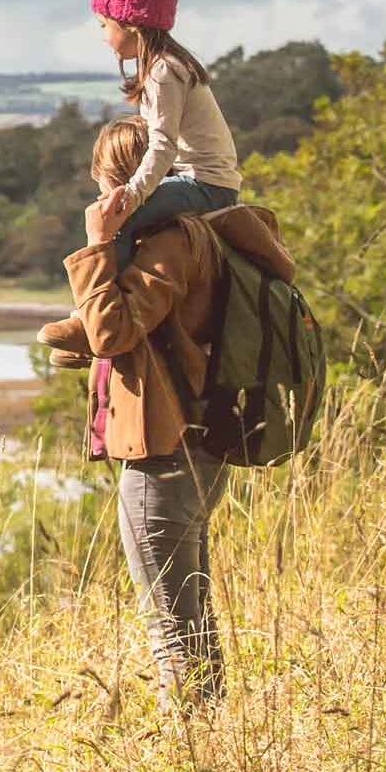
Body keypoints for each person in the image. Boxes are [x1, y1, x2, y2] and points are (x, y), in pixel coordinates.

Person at [41, 115, 296, 709]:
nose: (101, 198)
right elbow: (158, 334)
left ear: (124, 183)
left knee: (171, 627)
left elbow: (113, 331)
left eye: (105, 184)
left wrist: (99, 244)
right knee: (189, 610)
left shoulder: (172, 244)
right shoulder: (203, 236)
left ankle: (189, 745)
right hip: (199, 441)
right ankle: (211, 732)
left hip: (168, 450)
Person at [88, 0, 243, 268]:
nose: (104, 36)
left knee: (117, 223)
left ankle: (104, 304)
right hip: (203, 182)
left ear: (129, 24)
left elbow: (162, 145)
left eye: (105, 25)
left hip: (204, 186)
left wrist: (132, 195)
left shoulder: (163, 71)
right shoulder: (168, 65)